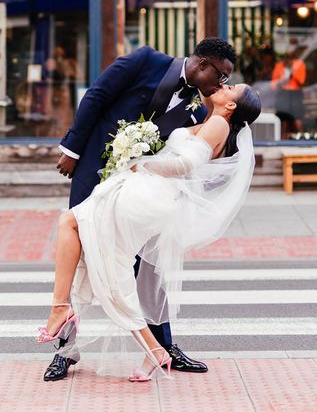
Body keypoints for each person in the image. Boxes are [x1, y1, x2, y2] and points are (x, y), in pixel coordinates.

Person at [37, 83, 261, 382]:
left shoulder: (219, 123)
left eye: (231, 87)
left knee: (90, 244)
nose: (224, 84)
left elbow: (187, 164)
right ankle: (152, 349)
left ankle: (62, 310)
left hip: (149, 194)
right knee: (100, 254)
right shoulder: (210, 121)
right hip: (149, 194)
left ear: (231, 106)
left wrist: (143, 164)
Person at [271, 47, 306, 136]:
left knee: (297, 118)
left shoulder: (299, 64)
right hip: (283, 93)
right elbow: (274, 85)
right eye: (286, 56)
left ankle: (300, 137)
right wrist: (282, 80)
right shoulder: (279, 66)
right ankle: (282, 139)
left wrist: (291, 70)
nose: (288, 58)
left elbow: (301, 81)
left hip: (295, 93)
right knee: (282, 119)